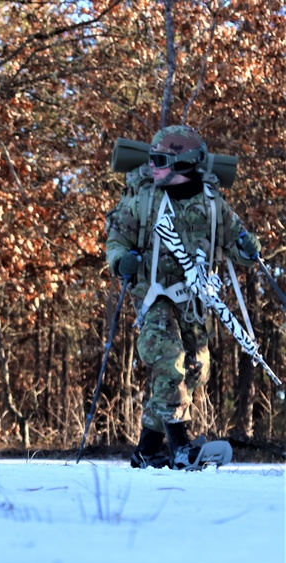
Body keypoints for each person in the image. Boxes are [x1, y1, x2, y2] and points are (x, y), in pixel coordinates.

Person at [106, 125, 260, 469]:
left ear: (185, 164)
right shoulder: (143, 200)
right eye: (150, 160)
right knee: (168, 356)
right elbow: (117, 239)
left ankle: (148, 448)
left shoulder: (212, 203)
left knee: (196, 368)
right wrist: (121, 261)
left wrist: (250, 250)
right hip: (153, 294)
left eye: (160, 161)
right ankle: (180, 446)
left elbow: (238, 245)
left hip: (192, 296)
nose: (152, 166)